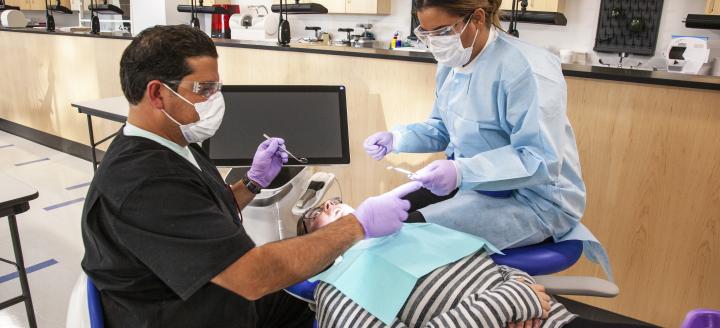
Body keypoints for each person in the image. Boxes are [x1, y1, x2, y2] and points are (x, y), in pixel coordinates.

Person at [80, 24, 422, 328]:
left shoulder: (177, 142)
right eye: (204, 88)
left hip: (215, 293)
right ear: (157, 94)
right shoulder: (145, 183)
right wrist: (357, 225)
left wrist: (253, 183)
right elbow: (253, 277)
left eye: (218, 87)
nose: (215, 100)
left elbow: (203, 213)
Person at [364, 0, 586, 252]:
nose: (435, 42)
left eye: (442, 32)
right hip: (477, 183)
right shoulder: (453, 61)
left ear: (477, 18)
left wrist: (461, 171)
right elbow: (443, 129)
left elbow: (540, 159)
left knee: (404, 237)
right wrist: (397, 139)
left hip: (534, 201)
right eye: (426, 33)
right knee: (383, 220)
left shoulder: (527, 70)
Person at [299, 200, 646, 328]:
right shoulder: (338, 290)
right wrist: (508, 302)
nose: (330, 204)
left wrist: (521, 286)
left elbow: (494, 267)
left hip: (554, 318)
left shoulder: (413, 232)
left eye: (334, 201)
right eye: (320, 213)